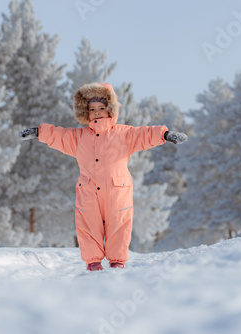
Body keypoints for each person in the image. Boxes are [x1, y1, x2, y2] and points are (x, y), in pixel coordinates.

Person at [19, 82, 187, 271]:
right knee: (89, 225)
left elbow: (144, 134)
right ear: (85, 112)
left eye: (101, 108)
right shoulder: (79, 137)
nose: (97, 112)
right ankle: (93, 262)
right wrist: (39, 132)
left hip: (117, 190)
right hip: (88, 190)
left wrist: (165, 134)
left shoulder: (123, 134)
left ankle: (117, 261)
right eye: (92, 109)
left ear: (110, 109)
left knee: (119, 223)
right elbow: (60, 136)